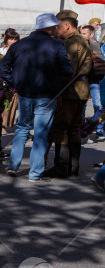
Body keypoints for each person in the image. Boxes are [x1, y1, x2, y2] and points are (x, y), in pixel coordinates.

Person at [0, 13, 73, 182]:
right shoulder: (56, 45)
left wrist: (16, 83)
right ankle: (35, 173)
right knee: (40, 133)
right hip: (46, 95)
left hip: (25, 93)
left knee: (22, 128)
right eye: (54, 26)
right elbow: (67, 70)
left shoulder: (19, 44)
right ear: (48, 28)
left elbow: (4, 68)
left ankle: (13, 166)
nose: (56, 28)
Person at [45, 10, 92, 178]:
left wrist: (56, 90)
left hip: (70, 90)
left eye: (58, 26)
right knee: (73, 129)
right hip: (80, 90)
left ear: (66, 25)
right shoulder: (82, 40)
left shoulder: (72, 43)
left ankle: (62, 167)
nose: (56, 29)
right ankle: (73, 167)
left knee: (61, 128)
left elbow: (67, 70)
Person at [81, 24, 105, 141]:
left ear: (92, 34)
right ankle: (82, 131)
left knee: (98, 105)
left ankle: (98, 129)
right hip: (83, 80)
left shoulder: (99, 46)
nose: (82, 35)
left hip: (96, 80)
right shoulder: (80, 45)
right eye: (81, 33)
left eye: (84, 33)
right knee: (82, 106)